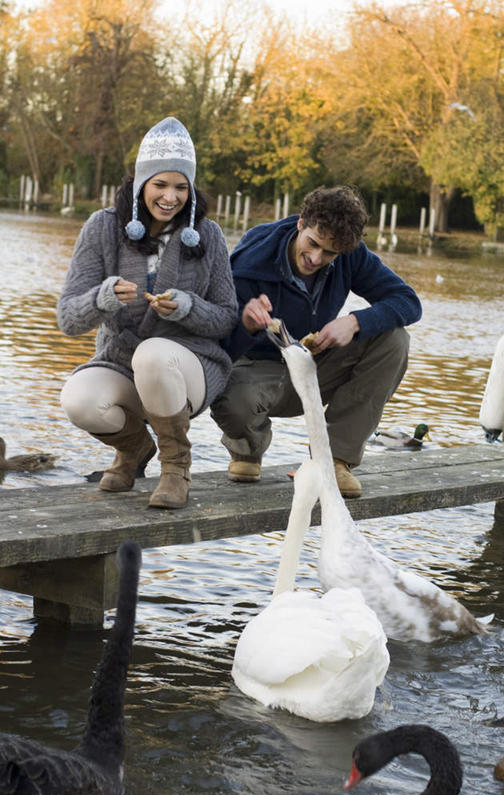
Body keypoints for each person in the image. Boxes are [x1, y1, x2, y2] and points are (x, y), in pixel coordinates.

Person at [57, 116, 238, 509]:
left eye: (181, 187)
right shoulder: (102, 227)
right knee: (79, 400)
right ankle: (134, 449)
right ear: (141, 183)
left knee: (153, 354)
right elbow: (68, 319)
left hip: (188, 370)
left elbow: (227, 318)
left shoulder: (208, 235)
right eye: (160, 184)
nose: (170, 197)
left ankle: (176, 468)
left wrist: (187, 308)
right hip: (121, 363)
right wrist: (103, 297)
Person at [210, 185, 422, 499]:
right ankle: (247, 449)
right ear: (301, 223)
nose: (315, 258)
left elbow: (408, 302)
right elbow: (219, 344)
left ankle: (334, 460)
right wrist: (246, 324)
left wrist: (354, 322)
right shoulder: (251, 257)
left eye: (329, 254)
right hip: (256, 369)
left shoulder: (350, 253)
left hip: (313, 365)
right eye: (313, 243)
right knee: (229, 398)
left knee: (394, 339)